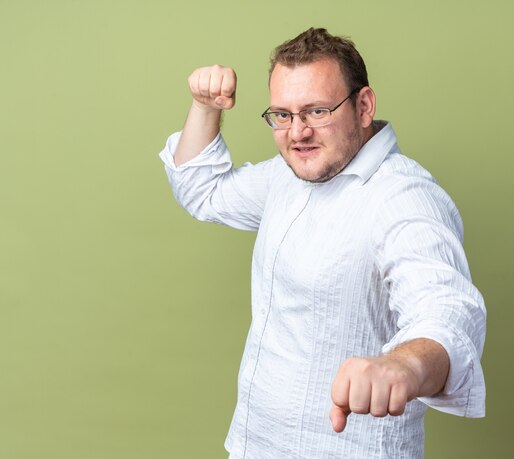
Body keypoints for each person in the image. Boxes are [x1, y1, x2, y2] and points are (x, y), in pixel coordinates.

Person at [159, 27, 486, 459]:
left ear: (364, 106)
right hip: (255, 444)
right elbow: (201, 190)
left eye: (316, 111)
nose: (297, 133)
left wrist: (403, 365)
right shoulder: (287, 176)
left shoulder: (404, 197)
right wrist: (205, 107)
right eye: (282, 115)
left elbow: (446, 310)